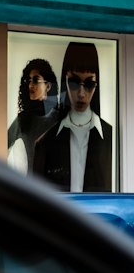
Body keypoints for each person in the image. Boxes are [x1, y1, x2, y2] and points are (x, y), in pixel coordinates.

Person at [32, 41, 113, 192]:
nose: (81, 94)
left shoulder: (113, 140)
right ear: (65, 81)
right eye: (75, 82)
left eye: (89, 84)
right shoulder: (44, 144)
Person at [7, 58, 58, 174]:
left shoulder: (59, 120)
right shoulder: (23, 120)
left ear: (48, 86)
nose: (30, 85)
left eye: (36, 80)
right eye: (29, 81)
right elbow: (1, 146)